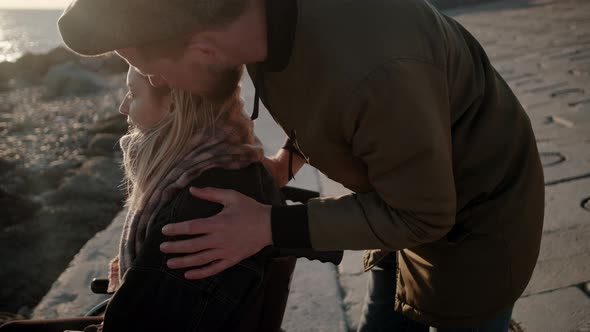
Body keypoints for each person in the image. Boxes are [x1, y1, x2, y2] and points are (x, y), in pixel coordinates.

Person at [57, 0, 545, 330]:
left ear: (204, 49)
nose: (153, 81)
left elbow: (425, 215)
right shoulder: (258, 23)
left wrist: (270, 225)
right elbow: (322, 104)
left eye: (149, 71)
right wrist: (285, 164)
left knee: (469, 315)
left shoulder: (374, 71)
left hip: (475, 222)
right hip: (400, 184)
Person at [0, 66, 299, 332]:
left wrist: (131, 287)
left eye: (132, 93)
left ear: (172, 105)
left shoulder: (197, 205)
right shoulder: (237, 161)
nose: (122, 107)